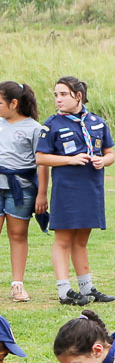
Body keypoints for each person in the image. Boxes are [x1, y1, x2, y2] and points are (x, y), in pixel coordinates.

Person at [36, 76, 115, 307]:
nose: (58, 99)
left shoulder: (97, 122)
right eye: (56, 95)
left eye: (63, 94)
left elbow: (110, 152)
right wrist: (69, 160)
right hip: (66, 190)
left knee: (82, 239)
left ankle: (86, 287)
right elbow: (41, 157)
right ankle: (64, 290)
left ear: (78, 96)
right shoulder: (52, 124)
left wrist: (105, 161)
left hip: (91, 189)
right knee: (63, 239)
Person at [0, 82, 39, 303]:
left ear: (14, 104)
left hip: (20, 188)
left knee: (17, 235)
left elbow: (40, 163)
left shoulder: (33, 128)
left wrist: (41, 193)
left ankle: (18, 284)